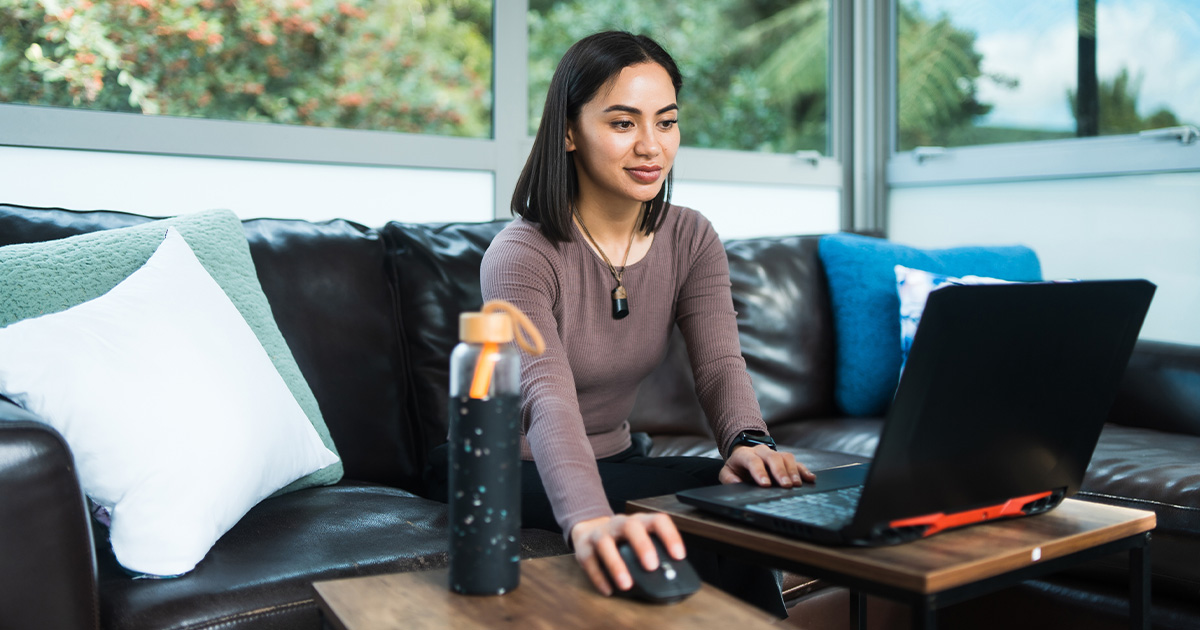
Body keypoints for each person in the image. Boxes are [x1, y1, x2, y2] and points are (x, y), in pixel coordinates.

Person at [429, 31, 815, 617]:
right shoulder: (522, 255)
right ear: (567, 131)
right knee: (709, 505)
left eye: (665, 122)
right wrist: (587, 520)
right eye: (622, 123)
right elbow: (545, 397)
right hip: (504, 468)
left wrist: (747, 440)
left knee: (742, 488)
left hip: (618, 456)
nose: (650, 147)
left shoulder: (690, 236)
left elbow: (718, 363)